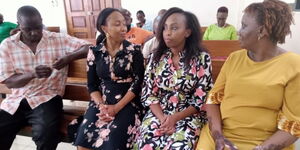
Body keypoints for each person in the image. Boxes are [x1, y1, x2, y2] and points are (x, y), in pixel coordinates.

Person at [196, 0, 299, 150]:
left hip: (267, 142)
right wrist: (218, 137)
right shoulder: (234, 58)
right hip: (220, 135)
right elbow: (213, 99)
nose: (238, 31)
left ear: (262, 31)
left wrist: (261, 148)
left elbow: (294, 125)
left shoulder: (294, 65)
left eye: (244, 26)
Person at [0, 5, 90, 150]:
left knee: (46, 133)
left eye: (38, 27)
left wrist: (68, 58)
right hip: (16, 100)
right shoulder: (8, 45)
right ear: (19, 25)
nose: (34, 33)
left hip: (47, 98)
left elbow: (89, 47)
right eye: (28, 29)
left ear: (42, 21)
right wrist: (32, 74)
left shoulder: (57, 39)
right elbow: (9, 82)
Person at [134, 7, 213, 149]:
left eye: (174, 28)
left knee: (179, 146)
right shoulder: (156, 58)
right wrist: (164, 119)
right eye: (164, 28)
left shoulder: (201, 59)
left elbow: (201, 97)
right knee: (146, 144)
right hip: (159, 114)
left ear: (187, 32)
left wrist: (175, 118)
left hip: (188, 115)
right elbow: (149, 93)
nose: (167, 33)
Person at [73, 8, 145, 150]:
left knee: (114, 139)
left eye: (124, 24)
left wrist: (116, 108)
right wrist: (101, 106)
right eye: (117, 24)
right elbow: (92, 85)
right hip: (102, 101)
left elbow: (138, 83)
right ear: (104, 28)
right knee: (84, 142)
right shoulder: (95, 52)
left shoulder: (134, 50)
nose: (123, 28)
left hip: (128, 102)